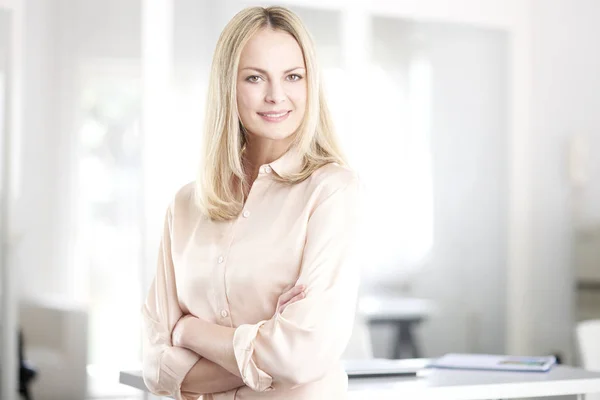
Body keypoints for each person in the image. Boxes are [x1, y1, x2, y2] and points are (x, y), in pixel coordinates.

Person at [141, 6, 362, 400]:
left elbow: (301, 357)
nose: (276, 95)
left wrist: (190, 332)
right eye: (255, 77)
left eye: (293, 76)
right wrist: (265, 343)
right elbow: (156, 368)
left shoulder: (331, 191)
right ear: (229, 85)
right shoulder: (186, 205)